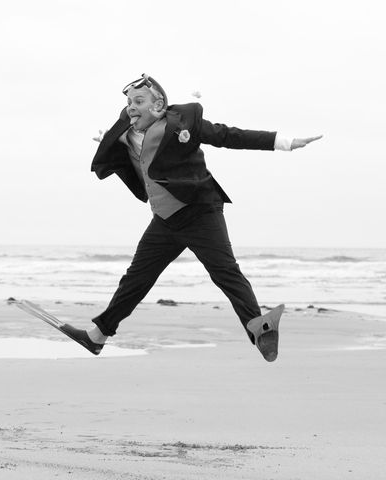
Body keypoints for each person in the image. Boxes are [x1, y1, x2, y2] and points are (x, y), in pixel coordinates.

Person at [57, 74, 322, 361]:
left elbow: (228, 135)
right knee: (136, 279)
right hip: (165, 219)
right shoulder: (126, 127)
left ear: (158, 103)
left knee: (225, 273)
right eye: (129, 102)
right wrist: (112, 143)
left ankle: (261, 330)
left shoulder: (182, 122)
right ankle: (97, 337)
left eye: (139, 101)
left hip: (200, 211)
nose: (131, 107)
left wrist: (284, 142)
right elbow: (117, 147)